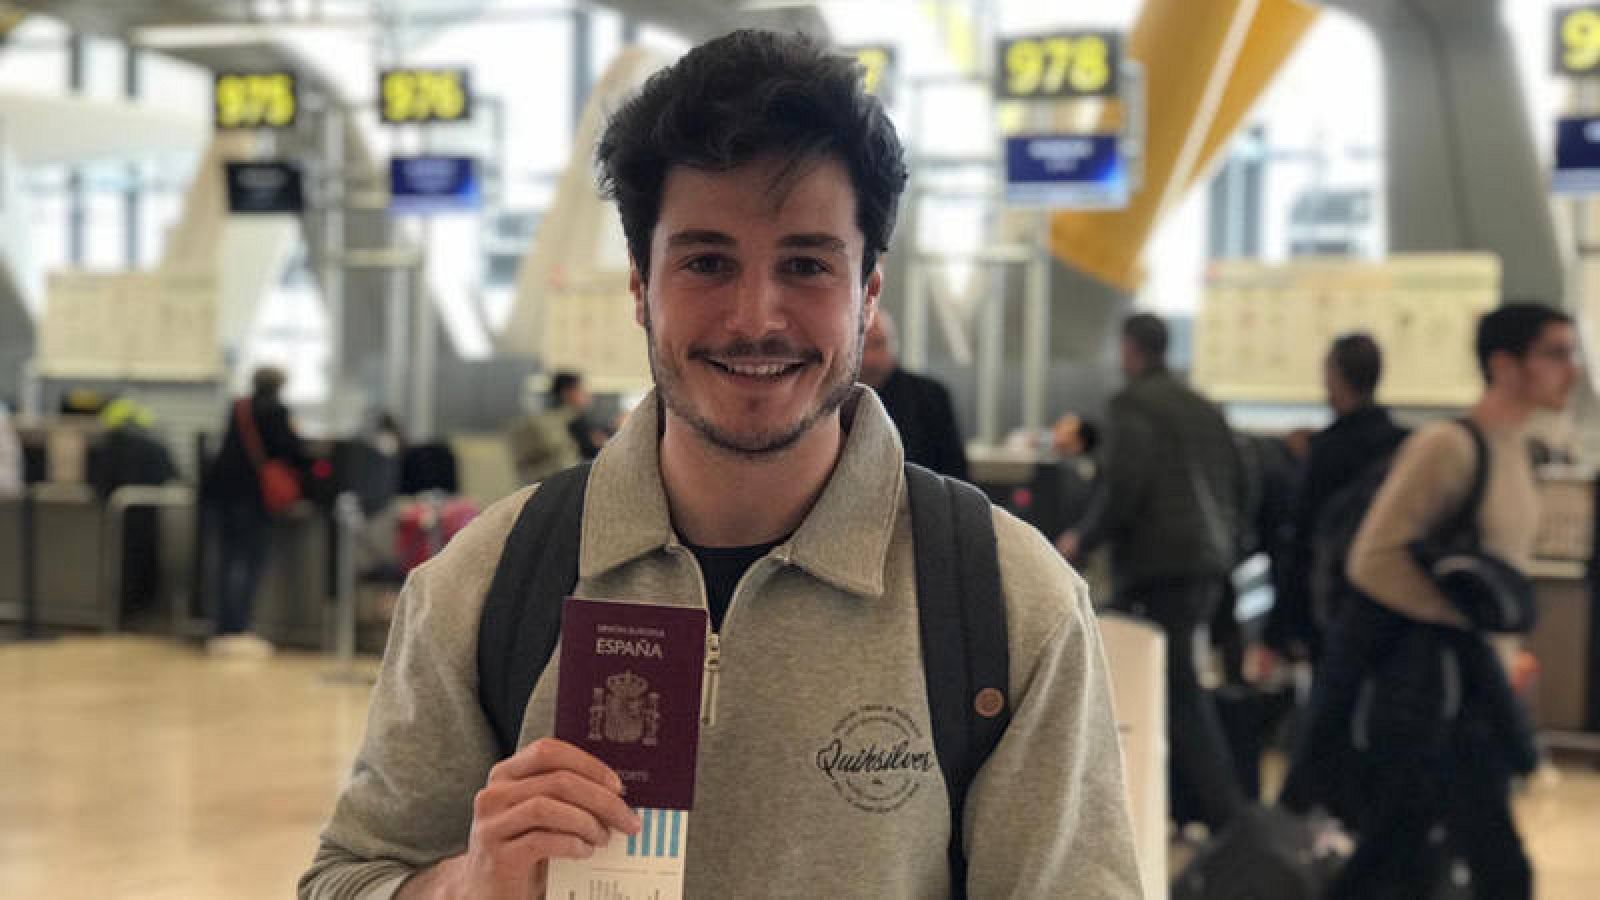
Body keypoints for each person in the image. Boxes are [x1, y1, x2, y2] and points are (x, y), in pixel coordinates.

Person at [302, 30, 1140, 899]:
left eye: (807, 264)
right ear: (639, 283)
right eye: (706, 262)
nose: (754, 316)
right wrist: (468, 884)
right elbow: (348, 877)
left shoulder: (1006, 602)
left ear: (869, 291)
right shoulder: (486, 584)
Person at [1293, 304, 1576, 900]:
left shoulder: (1518, 449)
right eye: (1554, 353)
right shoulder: (1448, 446)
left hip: (1475, 691)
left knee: (1405, 861)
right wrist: (1466, 620)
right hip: (1431, 696)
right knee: (1486, 868)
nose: (1570, 370)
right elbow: (1372, 559)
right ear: (1504, 364)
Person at [1056, 312, 1248, 834]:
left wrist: (1080, 540)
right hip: (1207, 563)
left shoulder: (1133, 405)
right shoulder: (1203, 407)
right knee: (1175, 683)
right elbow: (1239, 477)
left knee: (1169, 687)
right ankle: (1192, 810)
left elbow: (1124, 486)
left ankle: (1227, 818)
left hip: (1159, 566)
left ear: (1130, 350)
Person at [1265, 333, 1407, 667]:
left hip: (1332, 603)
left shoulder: (1326, 451)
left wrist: (1277, 630)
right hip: (1390, 600)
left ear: (1335, 377)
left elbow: (1302, 540)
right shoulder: (1403, 446)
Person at [204, 366, 307, 657]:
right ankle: (239, 628)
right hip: (253, 497)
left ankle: (222, 629)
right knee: (249, 562)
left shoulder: (239, 407)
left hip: (222, 494)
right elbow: (290, 450)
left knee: (226, 562)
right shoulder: (276, 411)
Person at [93, 398, 180, 623]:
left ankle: (121, 612)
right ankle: (143, 610)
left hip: (117, 521)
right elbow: (173, 476)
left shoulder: (109, 447)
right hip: (149, 520)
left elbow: (100, 484)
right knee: (146, 562)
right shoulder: (156, 446)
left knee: (120, 564)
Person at [858, 308, 970, 480]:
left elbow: (955, 472)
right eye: (863, 346)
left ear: (894, 345)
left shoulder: (931, 396)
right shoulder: (832, 399)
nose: (870, 358)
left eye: (878, 344)